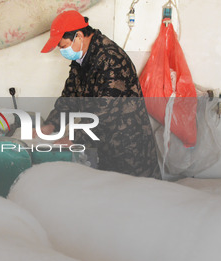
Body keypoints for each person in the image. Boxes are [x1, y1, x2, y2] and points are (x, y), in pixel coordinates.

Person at [40, 10, 160, 179]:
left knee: (136, 198)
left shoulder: (111, 60)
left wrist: (73, 138)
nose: (62, 51)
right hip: (103, 147)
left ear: (79, 36)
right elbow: (70, 98)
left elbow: (104, 113)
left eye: (63, 46)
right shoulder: (81, 58)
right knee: (107, 197)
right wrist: (51, 125)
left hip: (128, 148)